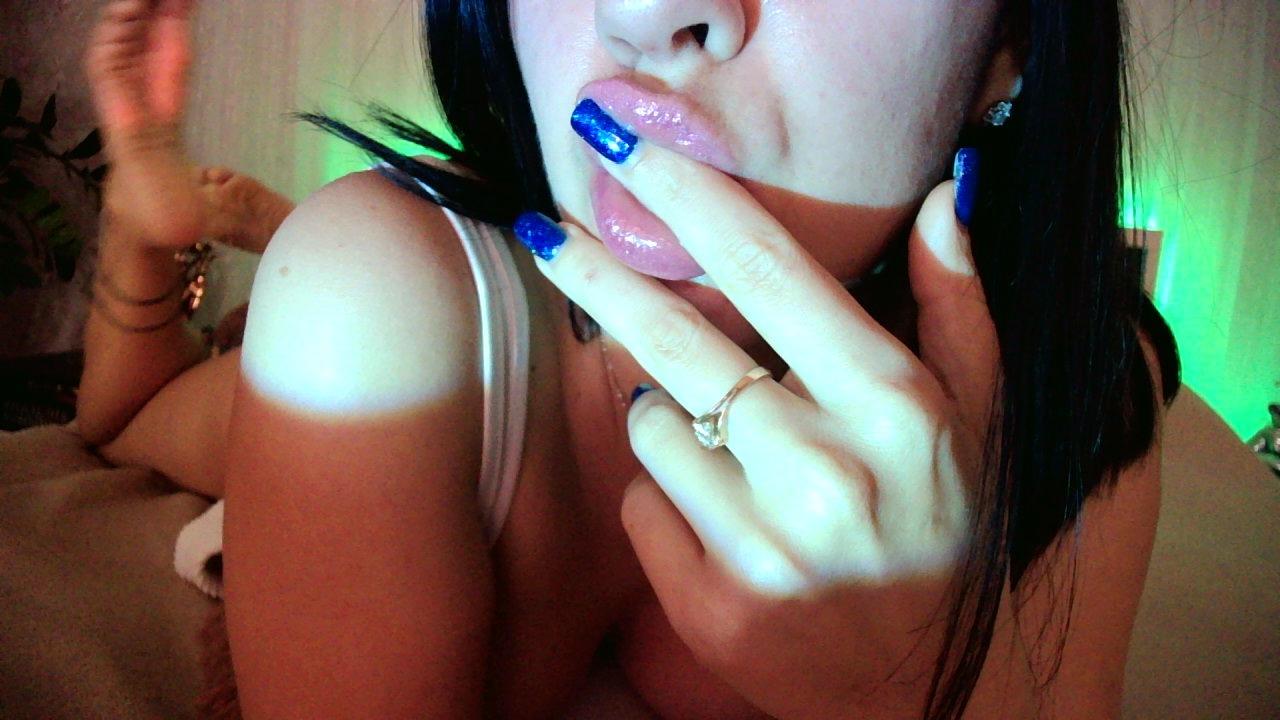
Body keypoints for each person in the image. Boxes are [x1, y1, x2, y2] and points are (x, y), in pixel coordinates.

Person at [77, 0, 1182, 719]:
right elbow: (113, 429)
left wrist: (925, 688)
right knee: (140, 416)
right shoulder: (380, 302)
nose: (641, 12)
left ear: (1013, 41)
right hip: (468, 316)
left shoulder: (1080, 390)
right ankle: (149, 216)